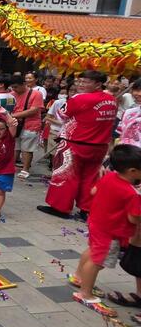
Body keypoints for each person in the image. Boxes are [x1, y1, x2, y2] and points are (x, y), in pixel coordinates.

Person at [69, 144, 141, 317]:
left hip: (97, 223)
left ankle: (79, 276)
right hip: (111, 231)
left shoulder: (110, 177)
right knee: (98, 261)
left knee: (93, 250)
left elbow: (94, 191)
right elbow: (133, 219)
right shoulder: (132, 194)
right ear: (132, 171)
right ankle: (85, 293)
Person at [39, 70, 117, 220]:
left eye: (85, 82)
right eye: (79, 81)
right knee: (90, 178)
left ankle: (60, 208)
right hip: (99, 146)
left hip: (74, 144)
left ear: (98, 84)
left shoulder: (80, 98)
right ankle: (86, 209)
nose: (81, 84)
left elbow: (61, 115)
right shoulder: (111, 99)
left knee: (65, 176)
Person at [10, 74, 44, 179]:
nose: (14, 89)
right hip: (15, 124)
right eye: (13, 87)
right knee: (15, 147)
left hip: (31, 125)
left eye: (16, 87)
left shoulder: (36, 94)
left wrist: (12, 116)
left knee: (27, 149)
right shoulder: (12, 94)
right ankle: (11, 166)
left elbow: (34, 110)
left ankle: (25, 169)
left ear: (24, 84)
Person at [117, 79, 141, 148]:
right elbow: (121, 135)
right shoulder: (128, 112)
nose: (139, 94)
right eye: (137, 90)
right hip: (125, 154)